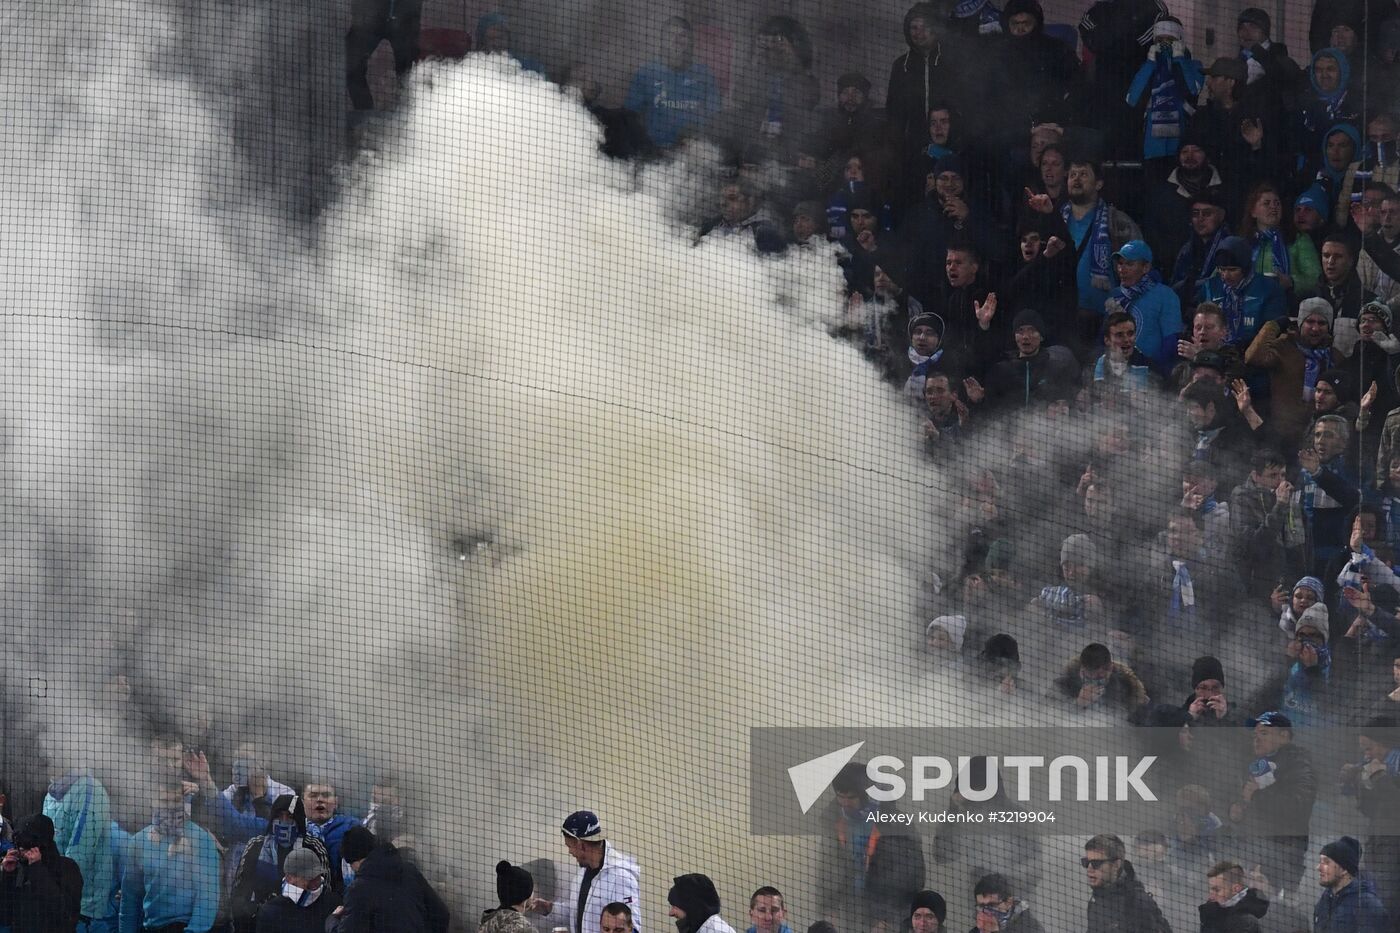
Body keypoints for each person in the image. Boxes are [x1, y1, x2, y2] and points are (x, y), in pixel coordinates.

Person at [816, 763, 925, 924]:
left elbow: (912, 877)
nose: (845, 803)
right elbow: (828, 868)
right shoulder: (834, 822)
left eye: (851, 797)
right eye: (840, 796)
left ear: (866, 794)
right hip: (851, 913)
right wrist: (828, 908)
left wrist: (884, 918)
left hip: (890, 917)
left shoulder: (898, 824)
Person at [1227, 711, 1317, 898]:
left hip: (1284, 854)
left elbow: (1297, 806)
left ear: (1284, 736)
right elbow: (1249, 798)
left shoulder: (1298, 764)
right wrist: (1240, 810)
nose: (1257, 739)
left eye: (1264, 733)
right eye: (1255, 735)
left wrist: (1256, 796)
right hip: (1254, 849)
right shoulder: (1256, 763)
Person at [120, 782, 222, 933]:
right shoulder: (138, 841)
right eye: (164, 801)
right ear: (152, 800)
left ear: (183, 801)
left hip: (184, 926)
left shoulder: (201, 840)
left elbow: (207, 897)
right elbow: (130, 898)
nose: (170, 806)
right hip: (150, 927)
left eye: (175, 800)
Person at [1244, 298, 1345, 447]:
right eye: (1310, 321)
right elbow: (1253, 357)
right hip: (1281, 433)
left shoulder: (1335, 357)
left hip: (1316, 437)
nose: (1315, 328)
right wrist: (1273, 326)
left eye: (1322, 323)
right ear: (1300, 323)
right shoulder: (1284, 347)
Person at [229, 796, 333, 933]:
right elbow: (239, 890)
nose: (284, 821)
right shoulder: (256, 845)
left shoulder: (313, 847)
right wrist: (252, 910)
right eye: (279, 816)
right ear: (272, 818)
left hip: (301, 921)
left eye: (289, 817)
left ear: (298, 819)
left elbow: (325, 890)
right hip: (263, 919)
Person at [533, 812, 641, 933]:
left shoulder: (621, 878)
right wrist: (549, 908)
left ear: (581, 845)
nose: (570, 852)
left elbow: (633, 928)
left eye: (569, 846)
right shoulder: (582, 875)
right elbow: (578, 913)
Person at [329, 826, 449, 933]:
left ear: (357, 860)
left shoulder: (358, 890)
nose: (352, 869)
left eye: (351, 863)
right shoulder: (409, 871)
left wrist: (332, 921)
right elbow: (441, 914)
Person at [623, 18, 720, 150]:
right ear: (662, 42)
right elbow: (630, 116)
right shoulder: (646, 73)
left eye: (682, 36)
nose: (677, 41)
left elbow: (715, 119)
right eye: (671, 35)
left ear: (691, 42)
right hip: (656, 151)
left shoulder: (705, 75)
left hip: (694, 151)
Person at [42, 769, 114, 931]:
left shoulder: (91, 791)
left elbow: (79, 852)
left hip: (84, 907)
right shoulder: (50, 795)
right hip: (56, 901)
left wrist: (59, 894)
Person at [1195, 236, 1287, 346]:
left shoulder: (1269, 289)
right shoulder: (1210, 287)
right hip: (1214, 353)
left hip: (1253, 354)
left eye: (1232, 270)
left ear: (1245, 268)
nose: (1226, 275)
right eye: (1222, 269)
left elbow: (1271, 333)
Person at [1104, 240, 1181, 370]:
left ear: (1145, 267)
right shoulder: (1114, 295)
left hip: (1152, 371)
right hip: (1116, 371)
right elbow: (1104, 337)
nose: (1122, 269)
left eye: (1129, 264)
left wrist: (1154, 369)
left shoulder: (1166, 295)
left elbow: (1171, 341)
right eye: (1120, 264)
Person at [0, 815, 83, 933]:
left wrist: (37, 869)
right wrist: (8, 876)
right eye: (19, 846)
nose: (21, 851)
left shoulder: (67, 868)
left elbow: (65, 915)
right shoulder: (20, 869)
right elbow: (5, 916)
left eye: (26, 846)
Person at [1238, 183, 1321, 295]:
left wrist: (1291, 282)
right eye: (1267, 203)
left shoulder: (1299, 239)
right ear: (1253, 212)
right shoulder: (1241, 243)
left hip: (1287, 303)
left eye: (1277, 203)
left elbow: (1315, 277)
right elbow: (1220, 273)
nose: (1273, 207)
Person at [1081, 834, 1172, 933]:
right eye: (1086, 862)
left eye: (1096, 863)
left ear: (1116, 864)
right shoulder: (1095, 899)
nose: (1089, 868)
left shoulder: (1138, 902)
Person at [345, 0, 423, 110]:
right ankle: (364, 113)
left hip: (405, 21)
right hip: (370, 20)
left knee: (406, 74)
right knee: (350, 62)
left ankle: (405, 115)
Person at [254, 847, 342, 933]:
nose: (315, 882)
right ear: (289, 878)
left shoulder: (333, 904)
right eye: (309, 877)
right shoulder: (270, 912)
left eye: (318, 876)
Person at [1312, 837, 1389, 933]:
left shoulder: (1367, 905)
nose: (1318, 867)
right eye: (1320, 862)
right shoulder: (1324, 901)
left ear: (1344, 869)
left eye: (1326, 862)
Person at [1055, 643, 1149, 717]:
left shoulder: (1126, 683)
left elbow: (1131, 716)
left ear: (1110, 668)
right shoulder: (1069, 676)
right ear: (1082, 668)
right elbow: (1051, 707)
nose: (1095, 681)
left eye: (1100, 677)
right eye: (1090, 675)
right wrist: (1078, 703)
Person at [302, 783, 359, 887]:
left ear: (336, 803)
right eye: (313, 796)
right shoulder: (295, 829)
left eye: (326, 795)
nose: (319, 800)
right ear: (302, 802)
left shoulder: (351, 827)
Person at [1198, 862, 1268, 933]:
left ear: (1236, 889)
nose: (1211, 896)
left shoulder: (1247, 922)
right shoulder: (1211, 911)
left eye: (1217, 890)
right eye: (1210, 889)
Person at [970, 874, 1043, 933]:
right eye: (980, 906)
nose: (985, 911)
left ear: (1008, 903)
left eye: (991, 905)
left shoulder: (1032, 929)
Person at [667, 876, 736, 933]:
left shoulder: (716, 930)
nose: (671, 913)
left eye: (675, 906)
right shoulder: (704, 928)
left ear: (691, 907)